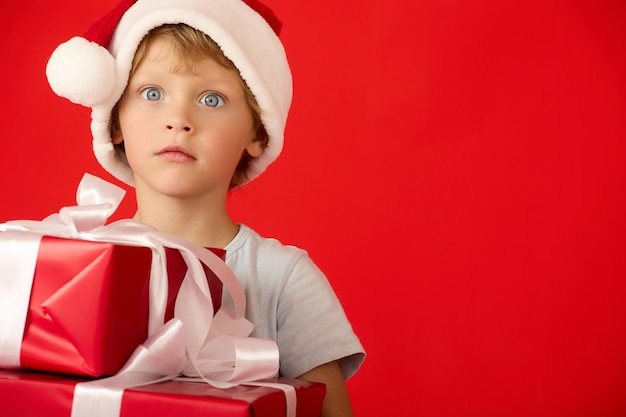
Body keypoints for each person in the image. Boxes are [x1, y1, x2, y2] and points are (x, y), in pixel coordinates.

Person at [45, 0, 365, 415]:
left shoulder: (283, 279)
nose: (179, 118)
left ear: (257, 132)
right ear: (116, 120)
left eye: (211, 99)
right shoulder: (76, 263)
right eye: (152, 93)